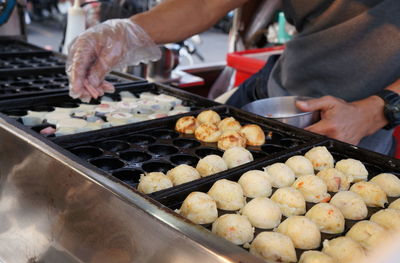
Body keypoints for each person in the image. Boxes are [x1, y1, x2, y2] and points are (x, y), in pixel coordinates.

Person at [66, 0, 400, 155]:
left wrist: (378, 110)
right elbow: (203, 6)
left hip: (362, 126)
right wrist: (127, 32)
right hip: (271, 98)